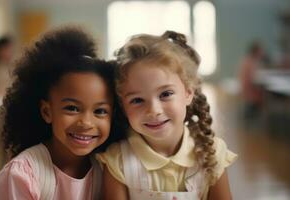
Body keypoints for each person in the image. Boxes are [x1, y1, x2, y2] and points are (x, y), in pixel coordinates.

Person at [97, 31, 237, 200]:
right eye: (137, 100)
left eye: (165, 94)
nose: (154, 110)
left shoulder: (212, 153)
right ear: (123, 106)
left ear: (188, 92)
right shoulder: (117, 160)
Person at [0, 26, 124, 200]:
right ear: (47, 112)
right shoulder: (22, 175)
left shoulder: (109, 170)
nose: (86, 122)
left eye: (100, 111)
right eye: (72, 108)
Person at [238, 41, 266, 119]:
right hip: (250, 91)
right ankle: (263, 119)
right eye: (261, 51)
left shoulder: (247, 60)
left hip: (246, 89)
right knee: (264, 95)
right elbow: (253, 79)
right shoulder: (251, 62)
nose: (262, 53)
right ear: (256, 51)